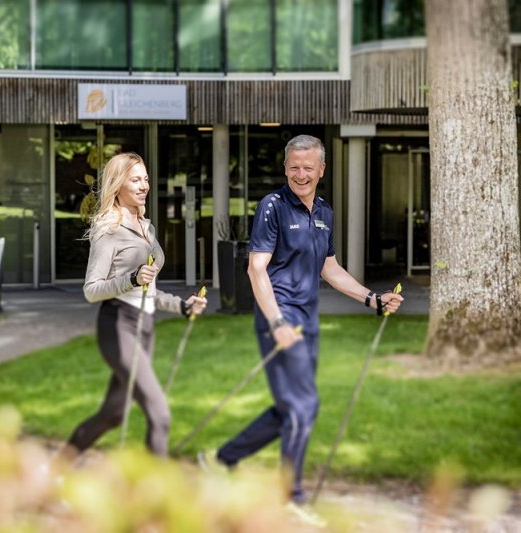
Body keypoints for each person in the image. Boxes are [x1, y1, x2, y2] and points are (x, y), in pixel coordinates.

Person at [199, 135, 403, 509]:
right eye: (294, 166)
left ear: (322, 170)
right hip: (280, 317)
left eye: (308, 167)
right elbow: (255, 267)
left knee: (295, 405)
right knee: (303, 405)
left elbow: (330, 269)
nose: (301, 174)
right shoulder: (272, 206)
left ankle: (222, 459)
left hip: (307, 320)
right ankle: (290, 499)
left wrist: (372, 299)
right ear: (285, 168)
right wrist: (276, 321)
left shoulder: (324, 212)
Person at [65, 152, 207, 456]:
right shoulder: (109, 230)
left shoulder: (146, 227)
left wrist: (183, 306)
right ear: (118, 185)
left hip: (145, 326)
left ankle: (54, 470)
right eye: (135, 180)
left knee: (114, 414)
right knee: (160, 414)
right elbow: (92, 290)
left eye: (145, 179)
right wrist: (131, 278)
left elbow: (148, 289)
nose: (144, 185)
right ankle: (157, 498)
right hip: (118, 326)